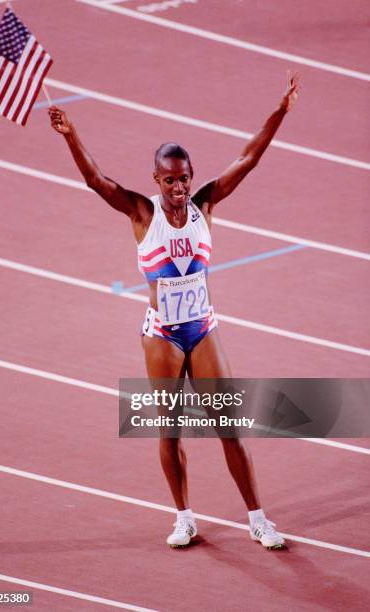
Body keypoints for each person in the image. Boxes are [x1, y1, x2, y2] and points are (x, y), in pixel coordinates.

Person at [48, 71, 300, 550]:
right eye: (170, 180)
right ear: (156, 179)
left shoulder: (207, 202)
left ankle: (258, 518)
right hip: (162, 335)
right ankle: (184, 517)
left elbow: (248, 159)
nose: (180, 187)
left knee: (229, 427)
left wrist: (281, 112)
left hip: (203, 330)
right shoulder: (142, 213)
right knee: (169, 430)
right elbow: (95, 180)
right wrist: (71, 134)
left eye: (185, 178)